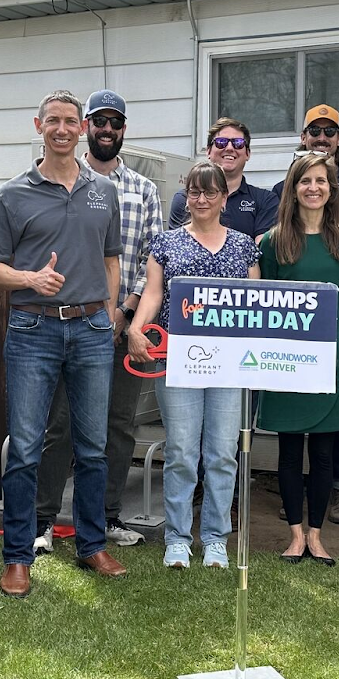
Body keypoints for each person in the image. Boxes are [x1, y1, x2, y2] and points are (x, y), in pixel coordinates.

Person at [0, 89, 124, 598]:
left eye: (71, 122)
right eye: (53, 122)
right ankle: (17, 556)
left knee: (92, 447)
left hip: (90, 331)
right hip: (32, 330)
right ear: (38, 125)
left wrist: (109, 315)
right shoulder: (12, 194)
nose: (62, 129)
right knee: (24, 448)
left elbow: (112, 260)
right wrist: (29, 279)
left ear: (83, 128)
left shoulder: (103, 190)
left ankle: (91, 545)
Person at [34, 89, 162, 553]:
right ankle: (43, 521)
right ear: (87, 126)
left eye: (115, 123)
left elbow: (152, 263)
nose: (106, 130)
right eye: (99, 121)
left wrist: (125, 315)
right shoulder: (63, 180)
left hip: (128, 328)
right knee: (61, 424)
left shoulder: (144, 190)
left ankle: (107, 518)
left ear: (123, 130)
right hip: (73, 322)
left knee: (118, 423)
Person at [130, 160, 261, 568]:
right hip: (178, 362)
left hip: (230, 365)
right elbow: (153, 294)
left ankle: (217, 539)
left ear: (224, 197)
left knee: (223, 453)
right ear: (186, 196)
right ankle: (177, 539)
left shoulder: (244, 246)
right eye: (194, 192)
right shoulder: (165, 243)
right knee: (183, 452)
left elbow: (256, 303)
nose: (201, 199)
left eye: (210, 192)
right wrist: (137, 328)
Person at [274, 104, 339, 523]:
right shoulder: (275, 237)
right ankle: (293, 504)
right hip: (288, 336)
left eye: (329, 130)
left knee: (334, 415)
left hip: (337, 321)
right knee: (292, 428)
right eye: (313, 130)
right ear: (304, 136)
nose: (321, 136)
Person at [258, 153, 339, 565]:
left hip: (328, 358)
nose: (314, 188)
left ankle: (317, 537)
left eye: (322, 180)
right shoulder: (273, 240)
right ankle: (295, 536)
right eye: (305, 181)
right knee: (288, 452)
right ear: (293, 188)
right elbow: (263, 301)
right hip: (286, 360)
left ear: (331, 188)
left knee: (322, 454)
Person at [167, 117, 277, 239]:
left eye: (238, 143)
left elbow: (260, 251)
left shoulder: (266, 200)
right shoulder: (186, 199)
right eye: (221, 142)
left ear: (248, 154)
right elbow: (177, 249)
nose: (230, 148)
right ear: (208, 151)